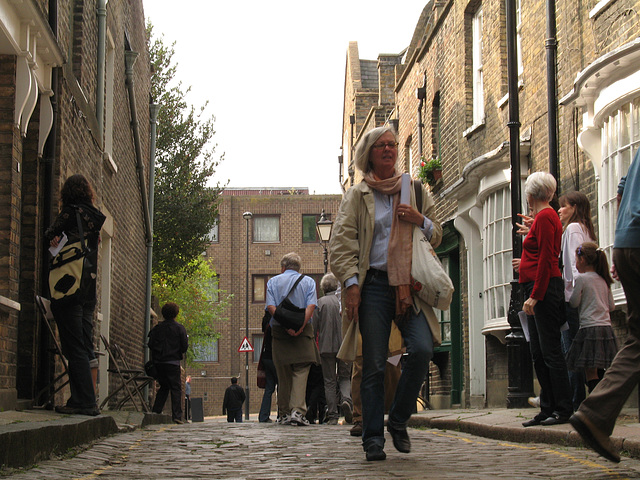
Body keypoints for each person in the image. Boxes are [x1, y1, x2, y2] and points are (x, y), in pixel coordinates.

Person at [330, 125, 442, 461]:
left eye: (393, 144)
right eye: (382, 145)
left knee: (421, 349)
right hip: (375, 286)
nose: (390, 149)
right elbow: (341, 244)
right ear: (369, 153)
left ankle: (398, 420)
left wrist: (420, 219)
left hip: (410, 286)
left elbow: (436, 236)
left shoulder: (415, 189)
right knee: (375, 364)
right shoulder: (358, 194)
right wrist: (351, 286)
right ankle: (373, 439)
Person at [570, 149, 640, 463]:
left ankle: (595, 414)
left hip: (627, 243)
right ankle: (595, 414)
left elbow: (621, 191)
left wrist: (619, 248)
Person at [513, 172, 572, 427]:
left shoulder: (547, 216)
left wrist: (535, 297)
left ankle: (563, 409)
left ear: (531, 194)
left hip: (544, 290)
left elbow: (548, 259)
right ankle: (547, 408)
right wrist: (532, 228)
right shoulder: (543, 218)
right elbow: (540, 249)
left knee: (550, 352)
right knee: (538, 353)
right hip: (536, 288)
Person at [45, 174, 106, 416]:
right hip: (87, 289)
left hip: (68, 286)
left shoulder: (71, 213)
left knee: (74, 347)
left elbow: (48, 233)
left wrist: (57, 238)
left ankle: (84, 402)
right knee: (83, 344)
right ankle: (83, 399)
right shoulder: (95, 217)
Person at [266, 252, 320, 427]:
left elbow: (271, 307)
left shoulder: (273, 282)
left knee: (283, 373)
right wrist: (300, 326)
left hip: (280, 332)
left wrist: (285, 324)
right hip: (303, 333)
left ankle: (283, 413)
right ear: (299, 268)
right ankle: (297, 410)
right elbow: (311, 306)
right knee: (301, 370)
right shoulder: (309, 282)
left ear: (283, 268)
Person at [558, 192, 597, 410]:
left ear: (574, 207)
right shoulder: (585, 228)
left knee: (570, 351)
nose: (560, 210)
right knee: (580, 350)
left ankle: (576, 402)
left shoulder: (573, 229)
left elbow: (575, 264)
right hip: (584, 297)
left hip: (572, 297)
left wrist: (574, 296)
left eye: (564, 206)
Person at [565, 242, 618, 393]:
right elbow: (612, 306)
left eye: (576, 260)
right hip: (605, 328)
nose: (575, 264)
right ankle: (602, 397)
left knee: (590, 369)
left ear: (582, 260)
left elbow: (574, 303)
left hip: (589, 328)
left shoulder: (582, 279)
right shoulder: (603, 280)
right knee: (601, 365)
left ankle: (594, 401)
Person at [313, 273, 352, 425]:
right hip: (344, 346)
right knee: (344, 377)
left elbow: (314, 328)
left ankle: (333, 415)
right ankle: (347, 401)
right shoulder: (343, 301)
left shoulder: (320, 303)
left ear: (323, 288)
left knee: (329, 381)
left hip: (326, 347)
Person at [148, 302, 188, 424]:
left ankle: (156, 411)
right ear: (176, 314)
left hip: (159, 363)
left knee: (164, 386)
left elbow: (150, 344)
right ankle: (177, 415)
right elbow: (184, 347)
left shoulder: (157, 328)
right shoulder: (179, 328)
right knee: (175, 388)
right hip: (172, 363)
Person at [258, 310, 278, 423]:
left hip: (266, 356)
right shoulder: (273, 323)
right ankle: (282, 414)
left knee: (269, 388)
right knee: (282, 385)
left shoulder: (265, 322)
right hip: (274, 356)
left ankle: (263, 416)